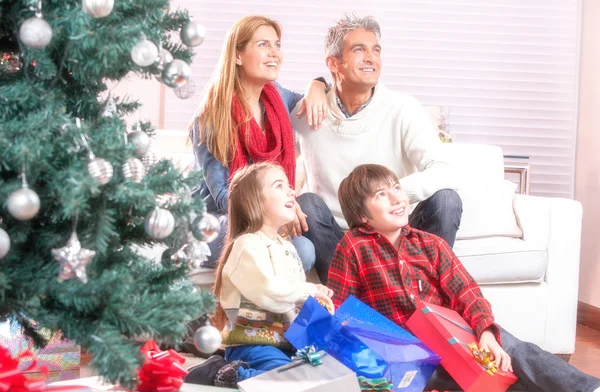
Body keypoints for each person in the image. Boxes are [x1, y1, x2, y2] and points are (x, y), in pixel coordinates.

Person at [327, 163, 600, 392]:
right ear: (362, 214)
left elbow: (466, 293)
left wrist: (485, 332)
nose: (397, 199)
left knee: (513, 351)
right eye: (381, 195)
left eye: (397, 188)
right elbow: (341, 309)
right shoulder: (353, 245)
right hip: (403, 353)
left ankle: (587, 388)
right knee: (444, 380)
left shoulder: (431, 244)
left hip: (452, 337)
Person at [291, 14, 461, 284]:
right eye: (359, 49)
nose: (371, 58)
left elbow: (445, 170)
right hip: (341, 239)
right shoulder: (308, 112)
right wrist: (314, 85)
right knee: (307, 203)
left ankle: (423, 297)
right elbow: (273, 164)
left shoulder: (403, 108)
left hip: (397, 231)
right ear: (333, 63)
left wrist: (389, 196)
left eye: (376, 50)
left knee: (447, 200)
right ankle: (355, 302)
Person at [189, 15, 329, 271]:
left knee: (304, 248)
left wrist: (317, 84)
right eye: (263, 45)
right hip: (218, 221)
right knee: (298, 250)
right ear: (237, 56)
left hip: (265, 214)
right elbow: (223, 196)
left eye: (277, 45)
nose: (274, 53)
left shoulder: (279, 97)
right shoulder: (211, 116)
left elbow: (313, 98)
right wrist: (275, 209)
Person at [185, 163, 334, 387]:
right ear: (254, 202)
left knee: (325, 375)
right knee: (291, 383)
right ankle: (224, 373)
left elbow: (289, 301)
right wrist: (310, 290)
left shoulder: (286, 246)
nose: (291, 191)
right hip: (252, 344)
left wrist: (315, 306)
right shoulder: (247, 245)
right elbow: (269, 292)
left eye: (289, 185)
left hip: (286, 343)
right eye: (278, 185)